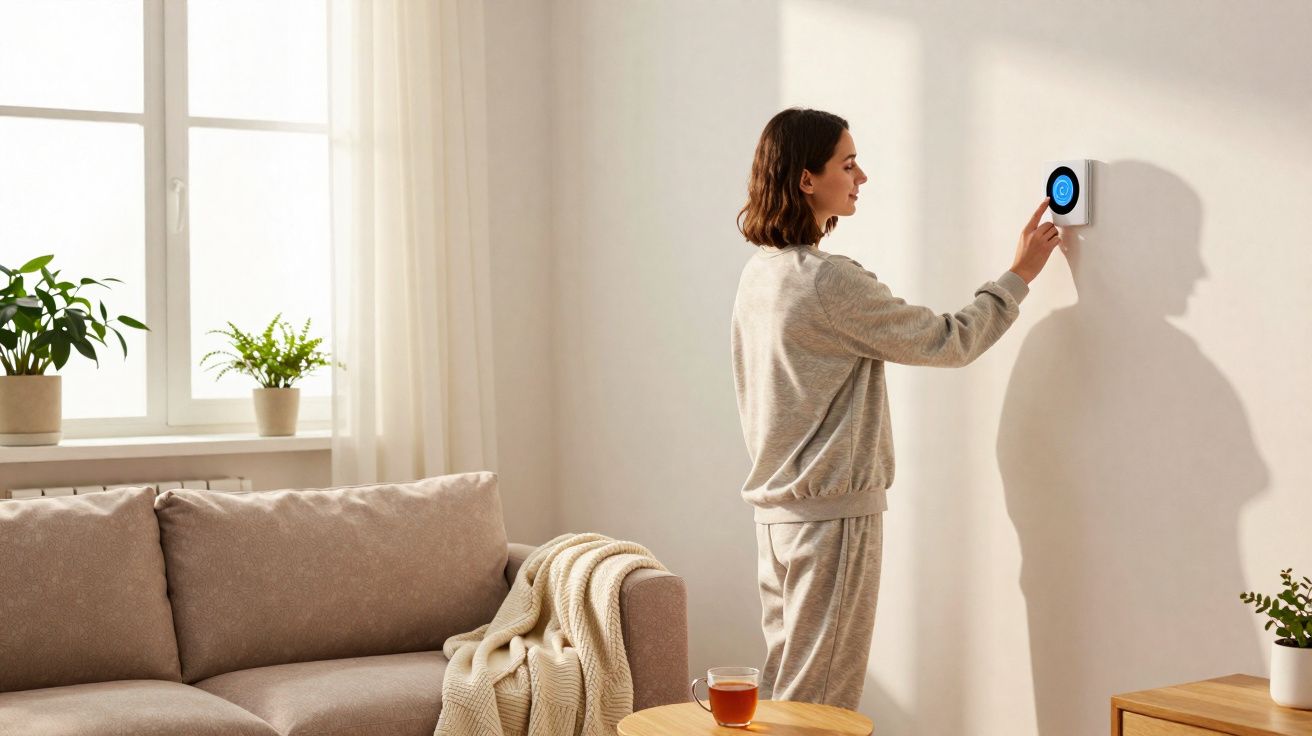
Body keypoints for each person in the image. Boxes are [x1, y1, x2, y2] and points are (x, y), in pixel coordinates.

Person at [730, 107, 1061, 710]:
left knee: (784, 695)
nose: (863, 177)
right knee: (819, 708)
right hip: (830, 519)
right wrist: (1020, 275)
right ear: (807, 179)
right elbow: (949, 340)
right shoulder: (827, 282)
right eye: (848, 163)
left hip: (776, 520)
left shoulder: (760, 275)